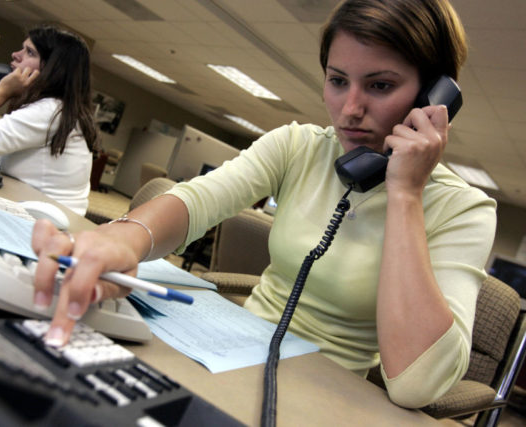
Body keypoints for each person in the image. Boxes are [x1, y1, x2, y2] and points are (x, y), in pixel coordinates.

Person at [31, 0, 497, 408]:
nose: (349, 109)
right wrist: (123, 240)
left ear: (433, 99)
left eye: (378, 86)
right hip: (227, 349)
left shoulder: (464, 209)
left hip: (325, 394)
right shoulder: (298, 146)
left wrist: (405, 193)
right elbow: (199, 199)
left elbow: (417, 386)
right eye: (337, 80)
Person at [0, 26, 97, 216]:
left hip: (41, 222)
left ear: (52, 69)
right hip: (37, 210)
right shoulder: (60, 110)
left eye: (29, 52)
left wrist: (1, 92)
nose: (15, 54)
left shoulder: (49, 112)